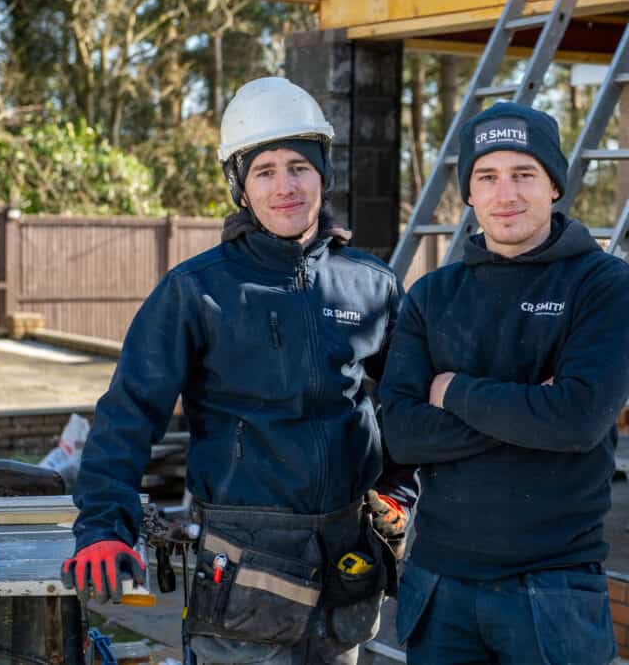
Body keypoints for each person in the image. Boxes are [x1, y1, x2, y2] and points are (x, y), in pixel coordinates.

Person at [61, 77, 417, 665]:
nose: (286, 186)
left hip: (345, 572)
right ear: (240, 187)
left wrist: (400, 490)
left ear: (323, 174)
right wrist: (102, 523)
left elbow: (409, 403)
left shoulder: (370, 284)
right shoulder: (197, 291)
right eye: (266, 170)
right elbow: (128, 414)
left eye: (299, 166)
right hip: (243, 574)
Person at [378, 101, 629, 665]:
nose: (506, 195)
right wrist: (532, 408)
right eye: (488, 177)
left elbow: (578, 420)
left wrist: (454, 393)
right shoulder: (433, 294)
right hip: (439, 584)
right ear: (469, 193)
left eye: (524, 174)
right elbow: (400, 434)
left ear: (554, 186)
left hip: (551, 587)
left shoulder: (603, 284)